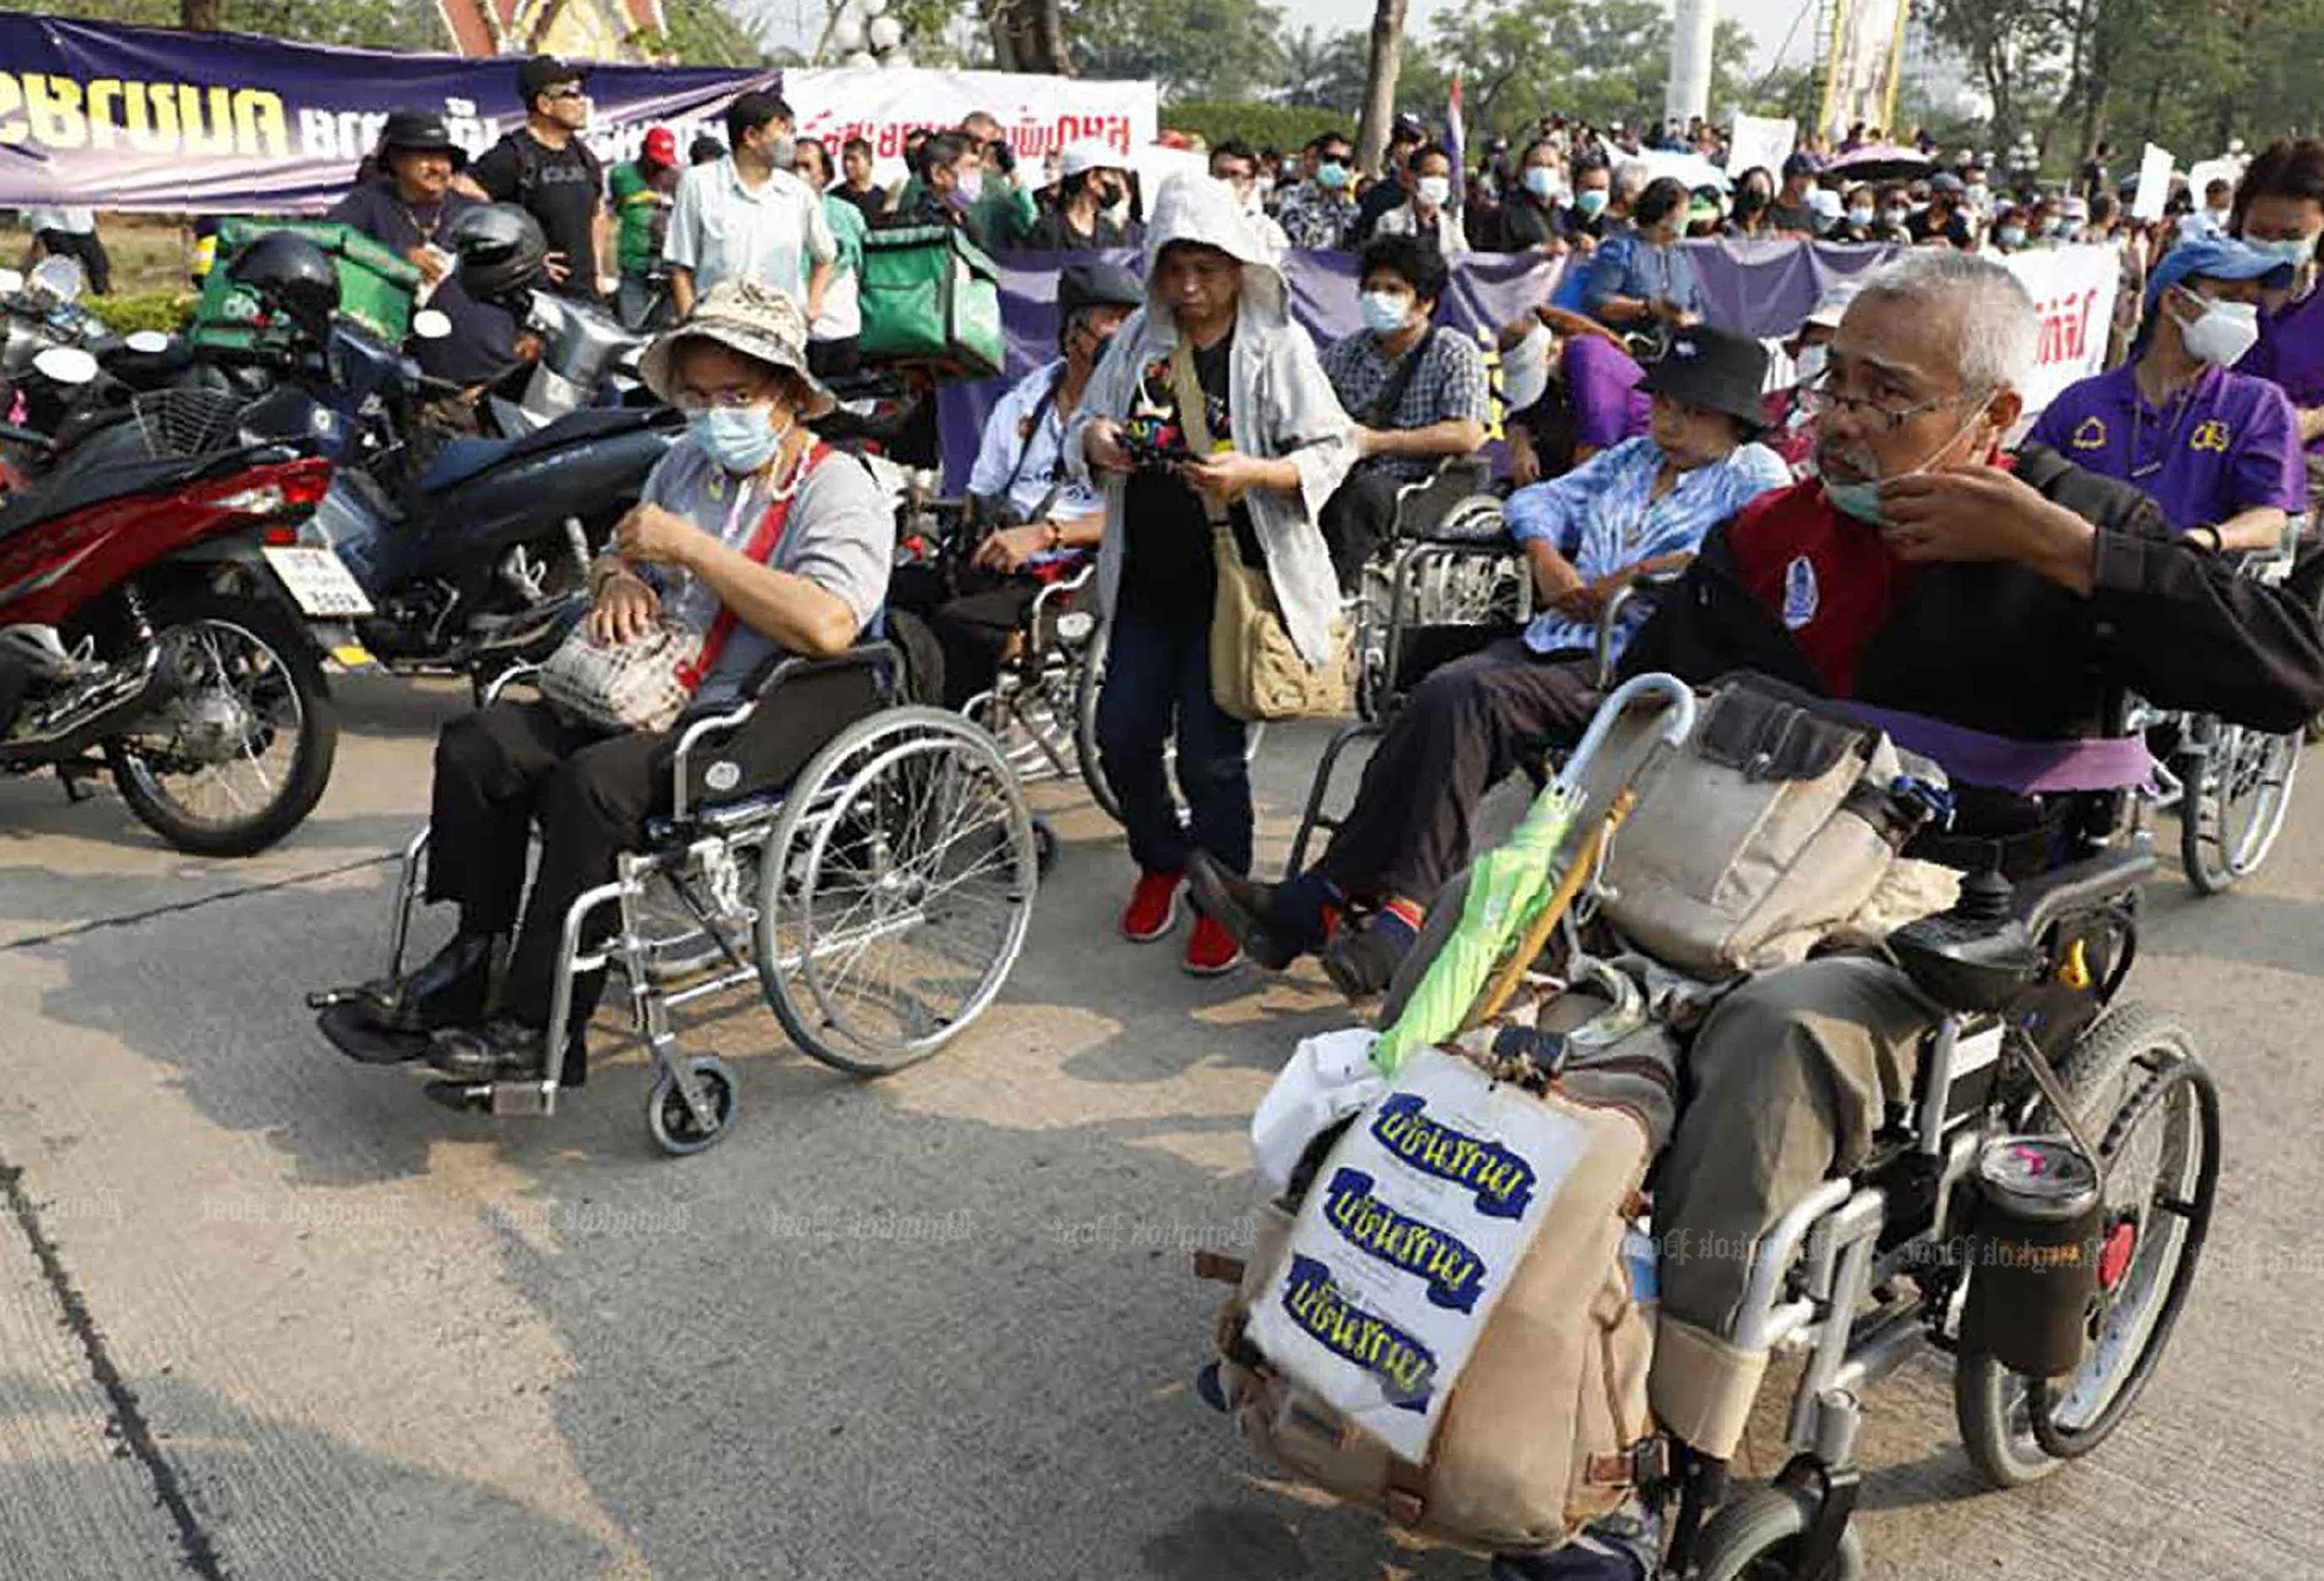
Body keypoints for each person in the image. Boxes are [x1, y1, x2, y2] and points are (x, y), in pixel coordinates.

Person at [1587, 253, 2324, 1517]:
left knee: (1775, 1032)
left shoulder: (2070, 522)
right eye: (1833, 384)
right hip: (1737, 870)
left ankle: (1664, 1451)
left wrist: (2072, 553)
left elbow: (2290, 674)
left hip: (1963, 917)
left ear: (1993, 417)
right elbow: (1641, 701)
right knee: (1517, 943)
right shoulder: (1772, 531)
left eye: (1886, 395)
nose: (1841, 420)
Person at [355, 282, 894, 1082]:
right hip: (640, 687)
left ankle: (538, 1025)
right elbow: (621, 549)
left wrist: (695, 551)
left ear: (787, 393)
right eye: (700, 397)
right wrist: (617, 580)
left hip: (747, 715)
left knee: (592, 786)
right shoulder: (684, 464)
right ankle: (474, 958)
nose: (716, 415)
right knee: (480, 744)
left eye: (737, 396)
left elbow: (827, 626)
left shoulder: (837, 486)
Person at [1191, 328, 1789, 998]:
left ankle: (1388, 909)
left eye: (1694, 411)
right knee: (1433, 698)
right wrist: (1548, 558)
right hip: (1559, 642)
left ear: (1735, 420)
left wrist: (1634, 575)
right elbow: (1536, 500)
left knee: (1467, 694)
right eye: (1666, 405)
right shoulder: (1633, 457)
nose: (1671, 423)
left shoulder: (1756, 475)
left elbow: (1742, 553)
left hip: (1643, 673)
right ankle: (1330, 902)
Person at [1068, 176, 1357, 977]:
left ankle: (1221, 891)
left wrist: (1255, 474)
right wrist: (1097, 442)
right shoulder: (1137, 340)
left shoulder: (1278, 347)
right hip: (1145, 579)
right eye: (1174, 270)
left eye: (1206, 270)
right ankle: (1161, 858)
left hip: (1232, 589)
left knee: (1209, 755)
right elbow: (1085, 421)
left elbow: (1333, 447)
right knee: (1121, 734)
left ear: (1237, 268)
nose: (1190, 287)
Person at [894, 262, 1142, 709]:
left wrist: (1046, 534)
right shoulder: (1028, 399)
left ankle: (952, 742)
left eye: (1131, 322)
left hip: (1076, 575)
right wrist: (974, 527)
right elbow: (984, 489)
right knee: (897, 593)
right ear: (1073, 332)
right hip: (1005, 561)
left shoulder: (1144, 407)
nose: (1124, 334)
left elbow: (1146, 515)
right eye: (1112, 320)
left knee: (959, 625)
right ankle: (904, 722)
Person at [2029, 237, 2304, 548]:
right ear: (2173, 300)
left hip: (2191, 574)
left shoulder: (2258, 405)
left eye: (2250, 303)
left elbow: (2268, 521)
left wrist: (2198, 542)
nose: (2244, 315)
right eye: (2229, 297)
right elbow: (2022, 489)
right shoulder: (2081, 402)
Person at [1315, 236, 1492, 588]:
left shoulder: (1453, 352)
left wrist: (1377, 442)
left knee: (1363, 496)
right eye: (1371, 288)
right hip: (1345, 468)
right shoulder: (1346, 352)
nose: (1378, 298)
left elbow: (1467, 434)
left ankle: (1333, 596)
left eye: (1393, 290)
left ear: (1424, 303)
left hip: (1419, 485)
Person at [326, 111, 517, 388]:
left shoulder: (474, 211)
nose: (438, 167)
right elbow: (330, 242)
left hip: (491, 370)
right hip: (413, 373)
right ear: (396, 159)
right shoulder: (368, 203)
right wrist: (398, 257)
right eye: (426, 156)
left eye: (444, 158)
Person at [663, 91, 835, 321]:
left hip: (780, 328)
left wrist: (812, 308)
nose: (791, 142)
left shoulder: (797, 193)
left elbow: (825, 255)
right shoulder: (699, 184)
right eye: (783, 130)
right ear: (751, 136)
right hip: (717, 327)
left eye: (792, 132)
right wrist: (690, 323)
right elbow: (680, 265)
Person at [470, 55, 609, 300]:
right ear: (545, 104)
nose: (583, 102)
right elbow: (464, 206)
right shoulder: (511, 156)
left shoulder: (584, 155)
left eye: (582, 93)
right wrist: (520, 258)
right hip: (534, 302)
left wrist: (597, 272)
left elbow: (598, 214)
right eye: (572, 94)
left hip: (586, 301)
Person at [2231, 138, 2324, 497]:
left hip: (2310, 477)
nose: (2272, 245)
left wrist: (2313, 421)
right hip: (2210, 468)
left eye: (2291, 236)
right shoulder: (2200, 288)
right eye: (2260, 232)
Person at [1502, 308, 1652, 486]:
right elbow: (1519, 415)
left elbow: (1594, 453)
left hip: (1639, 465)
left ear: (1552, 351)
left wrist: (1549, 495)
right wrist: (1521, 449)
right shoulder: (1552, 373)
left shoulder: (1589, 360)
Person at [1583, 176, 1702, 340]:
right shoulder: (1620, 249)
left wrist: (1690, 318)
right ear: (1664, 215)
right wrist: (1647, 308)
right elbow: (1598, 302)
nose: (1687, 218)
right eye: (1684, 212)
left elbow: (1696, 305)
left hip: (1677, 344)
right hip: (1625, 343)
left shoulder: (1682, 256)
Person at [790, 137, 865, 378]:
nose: (798, 174)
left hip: (842, 331)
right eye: (792, 166)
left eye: (806, 166)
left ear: (824, 174)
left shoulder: (847, 214)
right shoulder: (774, 216)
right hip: (794, 334)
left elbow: (863, 268)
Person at [608, 126, 681, 331]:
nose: (659, 168)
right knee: (632, 328)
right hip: (633, 263)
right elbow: (614, 211)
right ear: (642, 150)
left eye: (663, 163)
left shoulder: (677, 179)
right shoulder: (620, 175)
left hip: (667, 265)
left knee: (666, 330)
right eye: (655, 162)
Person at [1024, 140, 1135, 250]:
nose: (1117, 184)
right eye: (1113, 175)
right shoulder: (1046, 232)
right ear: (1092, 178)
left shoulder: (1108, 231)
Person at [894, 131, 991, 251]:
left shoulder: (967, 220)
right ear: (937, 174)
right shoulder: (919, 228)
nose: (977, 176)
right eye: (971, 166)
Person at [1371, 142, 1468, 257]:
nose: (1437, 181)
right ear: (1411, 177)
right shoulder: (1389, 222)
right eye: (1429, 174)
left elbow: (1464, 261)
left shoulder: (1452, 227)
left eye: (1443, 176)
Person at [1352, 113, 1432, 245]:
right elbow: (1360, 240)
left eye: (1413, 139)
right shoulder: (1378, 195)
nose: (1405, 146)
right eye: (1399, 138)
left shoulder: (1440, 192)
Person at [1275, 132, 1360, 250]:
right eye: (1330, 159)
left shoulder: (1352, 212)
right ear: (1317, 159)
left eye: (1345, 162)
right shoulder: (1290, 196)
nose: (1336, 166)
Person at [1492, 138, 1573, 256]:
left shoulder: (1561, 213)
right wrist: (1539, 251)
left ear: (1560, 172)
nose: (1543, 170)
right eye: (1536, 165)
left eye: (1550, 166)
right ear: (1523, 171)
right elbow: (1495, 259)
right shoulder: (1506, 212)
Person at [1211, 139, 1288, 248]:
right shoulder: (1188, 221)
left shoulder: (1270, 237)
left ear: (1251, 184)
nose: (1226, 182)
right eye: (1220, 174)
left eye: (1235, 175)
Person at [22, 205, 110, 296]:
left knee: (96, 261)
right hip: (49, 220)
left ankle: (101, 292)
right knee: (63, 262)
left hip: (80, 220)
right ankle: (53, 292)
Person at [1908, 172, 1974, 249]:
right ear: (1934, 194)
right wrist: (1926, 242)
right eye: (1951, 194)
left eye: (1958, 194)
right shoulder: (1914, 220)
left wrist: (1950, 247)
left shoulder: (1958, 222)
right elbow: (1904, 246)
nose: (1956, 199)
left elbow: (1967, 249)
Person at [1766, 152, 1821, 235]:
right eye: (1802, 176)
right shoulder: (1768, 210)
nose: (1806, 182)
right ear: (1788, 177)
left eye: (1810, 177)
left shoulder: (1811, 211)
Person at [833, 136, 886, 222]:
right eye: (845, 159)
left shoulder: (883, 198)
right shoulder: (833, 199)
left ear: (869, 161)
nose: (847, 164)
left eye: (854, 159)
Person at [2180, 176, 2235, 242]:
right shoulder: (2200, 220)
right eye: (2228, 195)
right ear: (2217, 195)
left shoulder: (2209, 220)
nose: (2231, 200)